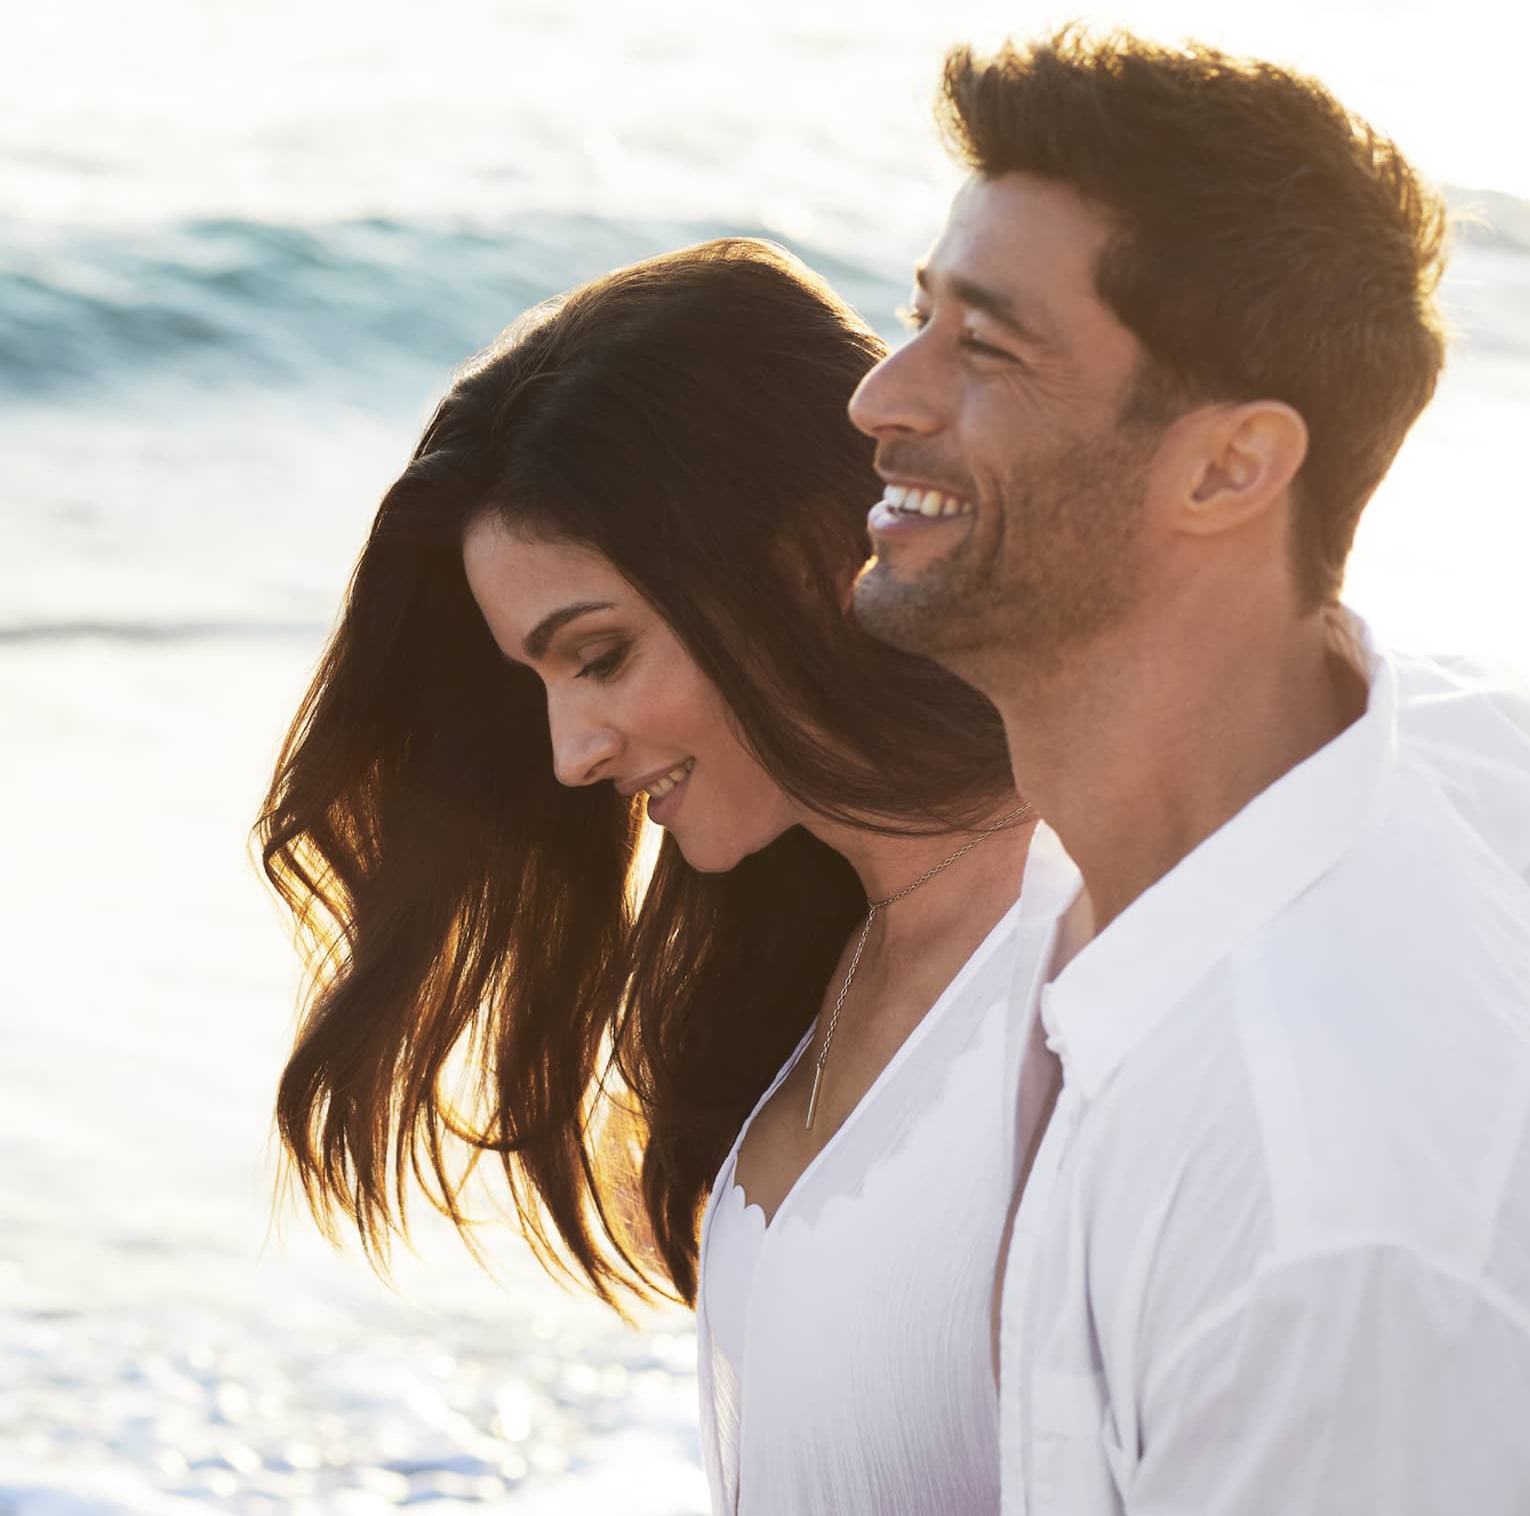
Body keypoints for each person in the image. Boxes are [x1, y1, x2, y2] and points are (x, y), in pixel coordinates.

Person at [255, 237, 1076, 1514]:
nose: (571, 757)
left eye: (599, 656)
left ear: (806, 563)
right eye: (539, 683)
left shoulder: (1086, 956)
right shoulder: (821, 961)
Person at [848, 27, 1530, 1514]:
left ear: (1227, 468)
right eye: (915, 316)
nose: (880, 396)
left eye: (986, 344)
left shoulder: (1319, 1222)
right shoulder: (1413, 758)